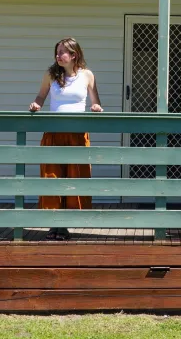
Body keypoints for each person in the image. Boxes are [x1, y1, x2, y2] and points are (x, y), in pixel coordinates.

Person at [29, 37, 102, 240]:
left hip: (77, 133)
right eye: (57, 51)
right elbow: (41, 97)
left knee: (75, 177)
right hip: (53, 132)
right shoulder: (51, 75)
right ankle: (54, 225)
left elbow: (95, 101)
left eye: (62, 52)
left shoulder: (87, 75)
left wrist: (96, 108)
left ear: (73, 55)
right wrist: (36, 105)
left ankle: (67, 224)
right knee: (52, 177)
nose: (58, 55)